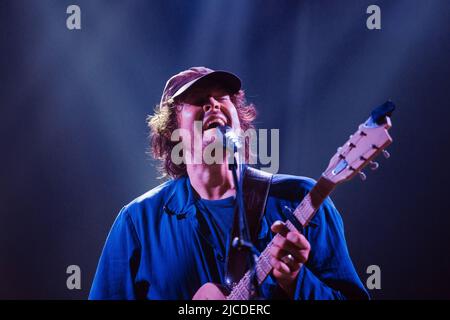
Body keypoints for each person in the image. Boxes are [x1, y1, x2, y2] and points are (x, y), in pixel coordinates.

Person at [89, 67, 369, 300]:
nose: (213, 104)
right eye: (199, 98)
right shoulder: (138, 221)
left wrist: (297, 281)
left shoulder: (300, 199)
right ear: (172, 131)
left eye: (222, 98)